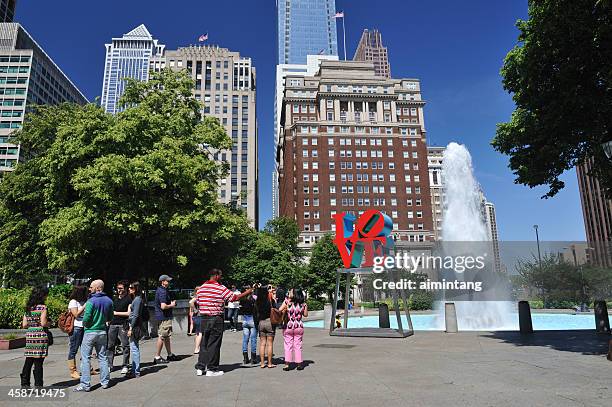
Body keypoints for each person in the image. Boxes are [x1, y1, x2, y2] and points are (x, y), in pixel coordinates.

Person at [194, 269, 254, 377]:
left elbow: (198, 302)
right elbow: (234, 298)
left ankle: (200, 367)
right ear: (216, 276)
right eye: (220, 275)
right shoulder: (220, 288)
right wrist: (247, 292)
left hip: (204, 317)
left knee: (204, 343)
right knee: (214, 344)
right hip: (216, 318)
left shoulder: (202, 288)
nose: (221, 277)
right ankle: (212, 369)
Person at [74, 279, 114, 392]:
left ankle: (85, 385)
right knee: (102, 357)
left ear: (97, 288)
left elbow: (86, 318)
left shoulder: (91, 301)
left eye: (91, 287)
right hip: (102, 332)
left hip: (90, 332)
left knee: (86, 358)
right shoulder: (109, 301)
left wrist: (86, 324)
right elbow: (110, 317)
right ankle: (105, 382)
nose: (89, 289)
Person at [21, 287, 49, 388]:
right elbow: (43, 323)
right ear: (42, 295)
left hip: (30, 336)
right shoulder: (43, 308)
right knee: (38, 362)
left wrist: (32, 324)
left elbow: (24, 325)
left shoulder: (28, 307)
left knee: (29, 359)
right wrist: (49, 323)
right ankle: (38, 386)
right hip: (40, 336)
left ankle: (25, 384)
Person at [279, 288, 308, 371]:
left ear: (294, 294)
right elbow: (305, 315)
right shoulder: (303, 304)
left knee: (288, 345)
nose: (289, 293)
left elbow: (280, 310)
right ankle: (299, 364)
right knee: (298, 345)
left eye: (290, 292)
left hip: (288, 326)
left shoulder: (287, 302)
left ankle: (287, 364)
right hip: (299, 326)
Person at [107, 280, 131, 374]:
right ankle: (109, 365)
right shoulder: (114, 298)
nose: (119, 290)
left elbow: (128, 313)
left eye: (121, 288)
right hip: (113, 324)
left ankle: (125, 365)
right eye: (118, 288)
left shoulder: (129, 299)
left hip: (123, 324)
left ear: (125, 288)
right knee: (110, 345)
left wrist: (116, 313)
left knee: (125, 345)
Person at [153, 274, 177, 364]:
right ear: (163, 282)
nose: (169, 282)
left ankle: (169, 354)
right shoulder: (162, 292)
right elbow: (163, 306)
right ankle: (157, 357)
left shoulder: (163, 290)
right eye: (167, 280)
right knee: (162, 336)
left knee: (166, 336)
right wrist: (172, 305)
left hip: (163, 316)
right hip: (164, 317)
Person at [67, 285, 88, 379]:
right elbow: (76, 314)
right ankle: (73, 370)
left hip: (85, 326)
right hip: (76, 327)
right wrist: (84, 306)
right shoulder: (73, 302)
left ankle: (87, 368)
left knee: (85, 348)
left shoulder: (83, 301)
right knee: (73, 349)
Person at [126, 281, 144, 378]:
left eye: (131, 287)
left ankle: (135, 371)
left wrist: (131, 328)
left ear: (135, 289)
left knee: (134, 348)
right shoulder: (137, 299)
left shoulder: (137, 300)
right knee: (134, 347)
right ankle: (134, 370)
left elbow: (135, 315)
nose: (129, 289)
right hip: (136, 324)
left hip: (135, 325)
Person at [255, 286, 276, 368]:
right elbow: (275, 308)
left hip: (261, 322)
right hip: (269, 322)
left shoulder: (257, 302)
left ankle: (262, 363)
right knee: (269, 344)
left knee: (262, 344)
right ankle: (270, 363)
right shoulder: (269, 301)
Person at [239, 286, 258, 365]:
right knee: (253, 339)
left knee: (245, 339)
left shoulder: (242, 300)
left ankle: (245, 358)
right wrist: (254, 289)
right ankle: (253, 358)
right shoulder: (253, 298)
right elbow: (256, 296)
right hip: (252, 319)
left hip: (245, 320)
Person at [189, 286, 202, 354]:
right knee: (200, 333)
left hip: (196, 317)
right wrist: (195, 310)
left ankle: (197, 347)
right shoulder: (197, 297)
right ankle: (197, 348)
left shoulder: (196, 297)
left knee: (197, 333)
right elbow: (191, 302)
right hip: (199, 316)